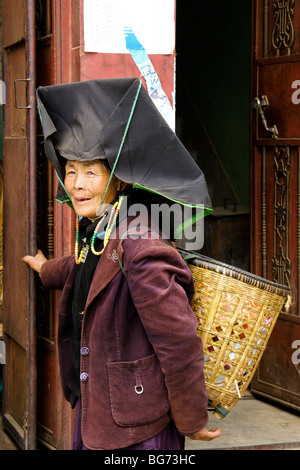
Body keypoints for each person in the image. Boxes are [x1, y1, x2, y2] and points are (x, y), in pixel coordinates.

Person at [23, 78, 221, 450]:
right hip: (100, 407)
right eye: (70, 171)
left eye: (91, 173)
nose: (76, 184)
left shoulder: (142, 244)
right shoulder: (102, 229)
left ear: (118, 183)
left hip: (138, 425)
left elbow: (178, 340)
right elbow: (84, 268)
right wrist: (45, 269)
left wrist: (192, 417)